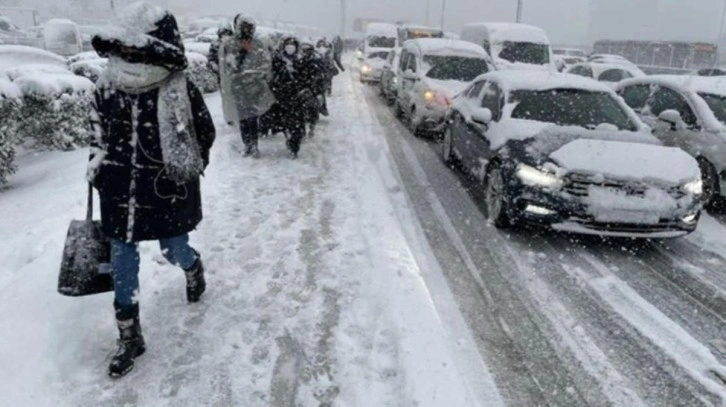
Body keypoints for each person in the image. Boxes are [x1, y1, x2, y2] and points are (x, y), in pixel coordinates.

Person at [88, 2, 216, 378]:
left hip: (165, 190)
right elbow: (96, 133)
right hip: (119, 190)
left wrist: (183, 170)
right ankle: (129, 335)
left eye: (135, 48)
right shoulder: (107, 86)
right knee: (122, 257)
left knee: (172, 248)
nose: (127, 54)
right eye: (123, 48)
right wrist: (98, 167)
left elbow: (203, 134)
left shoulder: (177, 88)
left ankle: (193, 267)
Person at [220, 14, 275, 157]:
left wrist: (259, 76)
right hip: (238, 86)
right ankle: (247, 145)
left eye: (249, 27)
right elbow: (230, 65)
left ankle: (254, 145)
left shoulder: (258, 43)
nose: (246, 30)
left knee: (252, 117)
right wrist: (243, 51)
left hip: (255, 86)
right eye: (243, 27)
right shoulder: (231, 44)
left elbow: (265, 63)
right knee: (242, 117)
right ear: (238, 28)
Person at [269, 35, 308, 158]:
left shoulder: (301, 61)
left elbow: (306, 78)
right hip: (280, 97)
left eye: (292, 44)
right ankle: (288, 137)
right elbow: (271, 77)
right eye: (287, 44)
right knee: (283, 122)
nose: (290, 47)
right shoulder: (276, 60)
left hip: (296, 99)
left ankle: (294, 146)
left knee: (295, 124)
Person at [297, 42, 327, 137]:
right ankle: (302, 131)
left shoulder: (317, 61)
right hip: (302, 89)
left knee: (313, 110)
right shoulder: (298, 61)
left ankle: (312, 127)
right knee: (299, 111)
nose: (306, 53)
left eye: (308, 51)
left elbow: (322, 76)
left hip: (314, 90)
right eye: (304, 50)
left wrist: (318, 90)